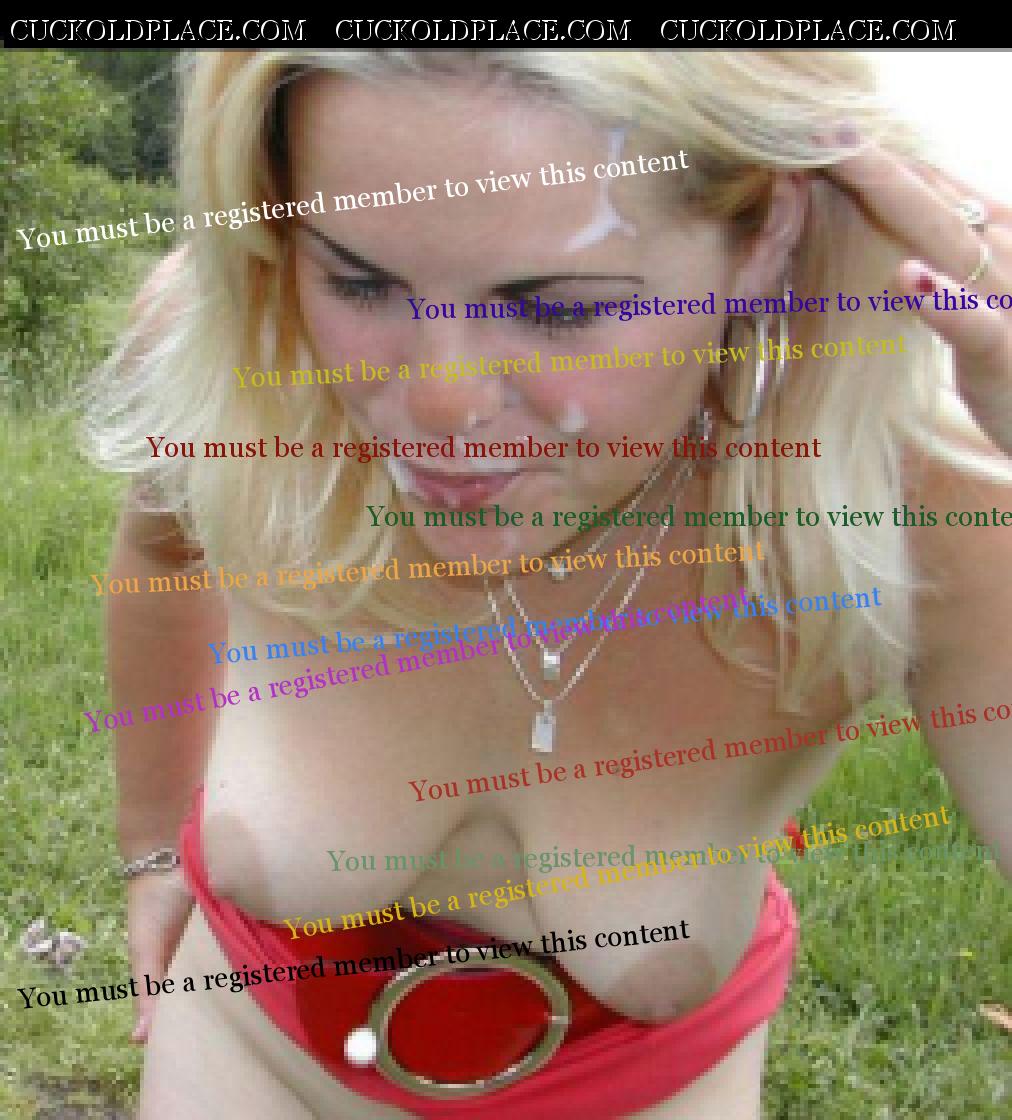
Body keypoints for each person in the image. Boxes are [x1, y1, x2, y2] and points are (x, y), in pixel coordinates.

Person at [87, 49, 1011, 1119]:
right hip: (247, 1053)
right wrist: (152, 844)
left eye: (559, 309)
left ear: (766, 233)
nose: (441, 402)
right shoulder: (243, 360)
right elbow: (161, 552)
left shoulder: (902, 503)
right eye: (359, 281)